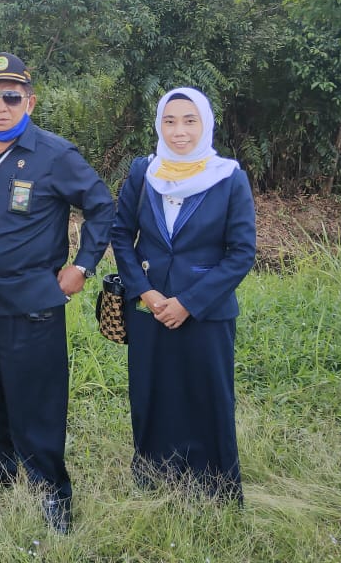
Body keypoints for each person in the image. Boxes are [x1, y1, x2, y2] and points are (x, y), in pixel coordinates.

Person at [0, 52, 114, 534]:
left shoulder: (56, 155)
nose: (1, 106)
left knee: (35, 399)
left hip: (30, 301)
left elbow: (102, 209)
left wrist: (82, 266)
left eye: (11, 97)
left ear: (30, 101)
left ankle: (51, 490)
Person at [110, 87, 256, 501]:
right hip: (150, 310)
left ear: (205, 124)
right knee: (152, 392)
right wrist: (146, 293)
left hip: (206, 312)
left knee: (206, 394)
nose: (179, 131)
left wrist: (188, 302)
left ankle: (213, 486)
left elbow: (241, 252)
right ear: (159, 124)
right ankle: (155, 476)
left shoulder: (228, 177)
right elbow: (121, 234)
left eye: (189, 120)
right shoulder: (144, 172)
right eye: (170, 121)